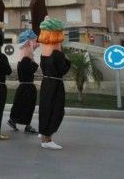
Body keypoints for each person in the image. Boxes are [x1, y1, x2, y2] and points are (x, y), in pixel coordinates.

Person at [38, 17, 71, 150]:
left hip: (46, 83)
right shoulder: (57, 54)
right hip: (56, 85)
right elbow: (63, 70)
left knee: (45, 108)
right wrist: (68, 60)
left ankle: (44, 133)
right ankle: (48, 138)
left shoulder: (44, 53)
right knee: (56, 110)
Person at [7, 29, 39, 134]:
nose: (36, 44)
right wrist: (33, 59)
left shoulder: (23, 59)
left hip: (25, 87)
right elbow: (33, 68)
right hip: (27, 87)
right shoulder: (25, 59)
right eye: (34, 41)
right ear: (29, 42)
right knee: (26, 106)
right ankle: (25, 124)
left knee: (22, 105)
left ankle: (16, 121)